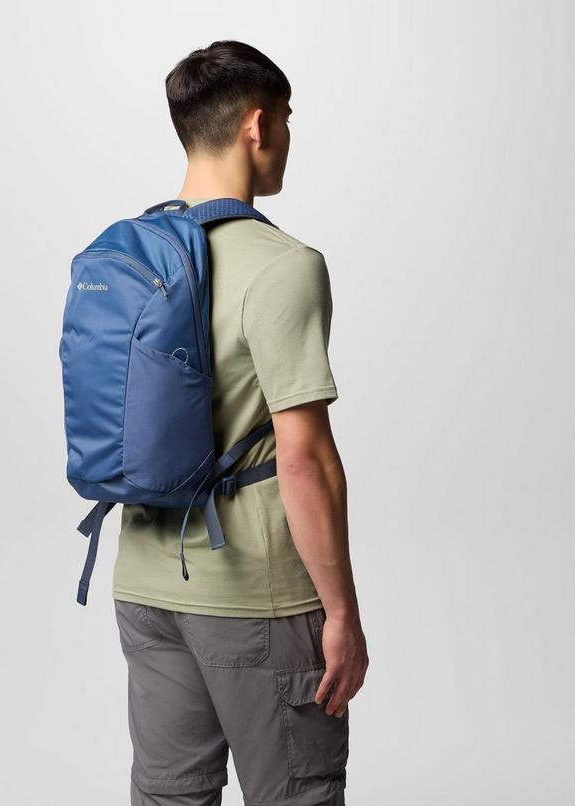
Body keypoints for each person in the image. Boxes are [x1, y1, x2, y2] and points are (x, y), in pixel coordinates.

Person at [111, 40, 369, 806]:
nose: (288, 135)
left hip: (146, 585)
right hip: (255, 597)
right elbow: (305, 460)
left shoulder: (128, 257)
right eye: (286, 118)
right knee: (297, 793)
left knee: (168, 797)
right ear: (257, 125)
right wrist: (342, 614)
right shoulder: (284, 265)